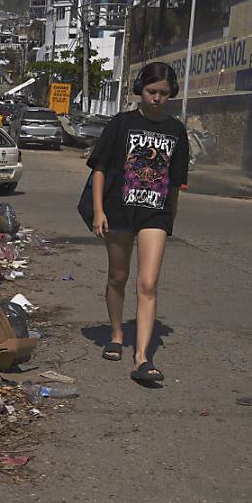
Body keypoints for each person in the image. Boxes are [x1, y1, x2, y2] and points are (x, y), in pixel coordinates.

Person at [87, 62, 189, 383]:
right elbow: (100, 167)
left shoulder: (176, 131)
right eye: (151, 92)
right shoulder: (122, 123)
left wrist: (170, 217)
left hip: (154, 214)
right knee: (118, 276)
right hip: (118, 210)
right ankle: (117, 334)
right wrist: (98, 210)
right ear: (140, 91)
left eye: (163, 93)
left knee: (148, 283)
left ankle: (142, 357)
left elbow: (175, 182)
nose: (157, 98)